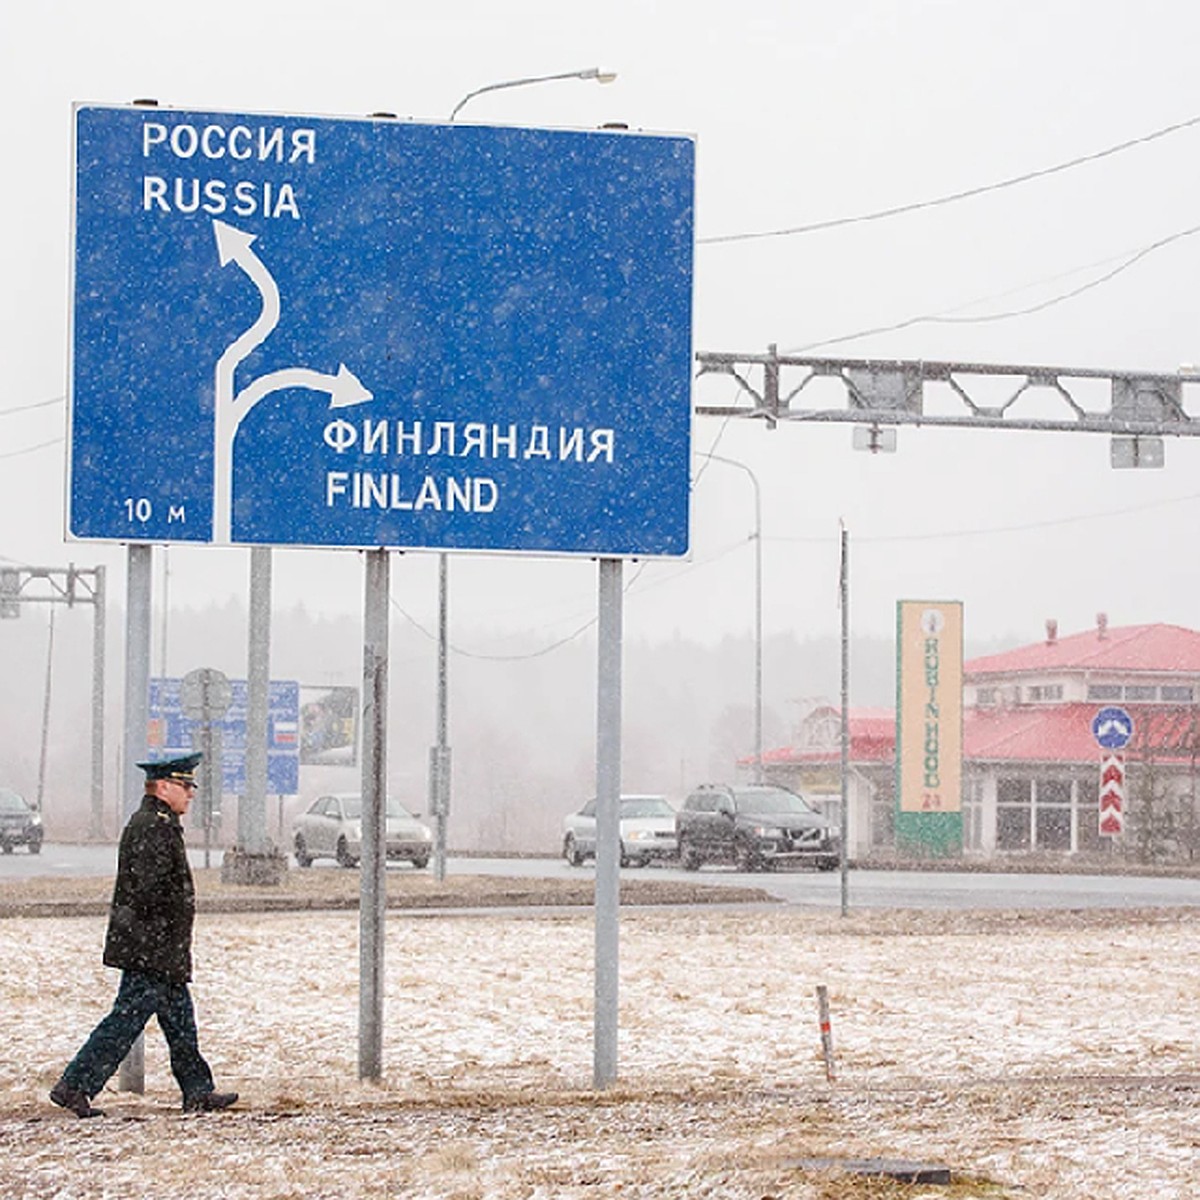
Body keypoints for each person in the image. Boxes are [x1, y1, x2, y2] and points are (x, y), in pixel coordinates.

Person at [49, 752, 238, 1118]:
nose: (191, 793)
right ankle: (75, 1085)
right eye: (185, 785)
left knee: (180, 1020)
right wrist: (164, 940)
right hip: (150, 950)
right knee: (125, 1021)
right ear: (164, 787)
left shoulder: (159, 823)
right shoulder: (152, 826)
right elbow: (149, 893)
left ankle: (197, 1091)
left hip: (157, 949)